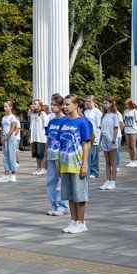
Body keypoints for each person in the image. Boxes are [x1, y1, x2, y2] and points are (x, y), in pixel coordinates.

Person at [56, 95, 93, 233]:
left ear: (76, 105)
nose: (64, 107)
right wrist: (59, 163)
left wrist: (84, 165)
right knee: (69, 195)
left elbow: (85, 145)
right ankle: (73, 221)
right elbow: (61, 144)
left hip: (77, 164)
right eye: (63, 105)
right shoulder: (63, 122)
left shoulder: (82, 122)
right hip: (65, 164)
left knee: (79, 195)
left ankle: (81, 222)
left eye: (67, 104)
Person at [44, 94, 68, 216]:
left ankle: (62, 206)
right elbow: (48, 139)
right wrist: (45, 156)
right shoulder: (52, 121)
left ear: (60, 106)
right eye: (51, 104)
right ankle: (54, 204)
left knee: (61, 182)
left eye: (54, 105)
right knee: (50, 181)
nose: (52, 107)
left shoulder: (66, 120)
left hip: (61, 155)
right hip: (50, 155)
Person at [97, 98, 122, 190]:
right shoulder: (103, 116)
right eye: (103, 103)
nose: (104, 105)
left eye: (106, 103)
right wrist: (99, 143)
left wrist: (113, 142)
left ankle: (113, 181)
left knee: (113, 162)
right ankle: (107, 180)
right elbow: (101, 131)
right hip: (104, 139)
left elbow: (116, 129)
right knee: (107, 162)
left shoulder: (115, 115)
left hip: (111, 140)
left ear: (111, 104)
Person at [83, 95, 103, 179]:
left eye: (89, 101)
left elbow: (100, 126)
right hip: (87, 136)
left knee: (94, 155)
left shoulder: (97, 112)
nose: (87, 103)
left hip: (95, 136)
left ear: (94, 102)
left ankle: (95, 172)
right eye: (86, 101)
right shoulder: (86, 112)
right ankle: (89, 170)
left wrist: (100, 140)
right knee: (88, 154)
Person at [30, 100, 49, 175]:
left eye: (35, 104)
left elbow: (46, 125)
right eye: (33, 104)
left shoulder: (42, 114)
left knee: (41, 154)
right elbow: (31, 126)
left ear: (39, 105)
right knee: (36, 154)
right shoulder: (33, 114)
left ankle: (42, 168)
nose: (33, 105)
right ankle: (38, 168)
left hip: (41, 137)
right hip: (34, 137)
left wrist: (46, 137)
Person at [123, 98, 137, 168]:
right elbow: (124, 121)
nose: (125, 105)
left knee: (133, 145)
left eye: (127, 104)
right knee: (129, 146)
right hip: (127, 130)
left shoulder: (134, 111)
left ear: (130, 104)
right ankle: (131, 160)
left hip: (133, 130)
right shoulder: (125, 111)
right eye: (125, 104)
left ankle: (134, 161)